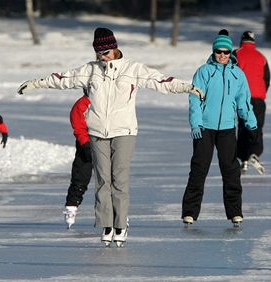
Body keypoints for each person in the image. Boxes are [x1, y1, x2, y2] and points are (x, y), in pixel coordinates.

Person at [17, 27, 203, 246]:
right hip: (97, 132)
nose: (103, 56)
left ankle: (121, 224)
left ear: (115, 48)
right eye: (99, 53)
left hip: (124, 131)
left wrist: (187, 87)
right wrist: (36, 83)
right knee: (103, 180)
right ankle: (107, 224)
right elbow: (62, 79)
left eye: (106, 52)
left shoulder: (133, 69)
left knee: (119, 179)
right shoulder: (90, 70)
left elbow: (161, 81)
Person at [182, 30, 258, 227]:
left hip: (226, 128)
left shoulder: (237, 74)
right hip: (205, 128)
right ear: (213, 52)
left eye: (225, 52)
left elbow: (244, 101)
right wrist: (196, 122)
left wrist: (250, 121)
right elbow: (195, 99)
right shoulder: (203, 72)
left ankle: (235, 212)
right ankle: (189, 212)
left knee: (230, 169)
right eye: (218, 52)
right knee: (199, 169)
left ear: (230, 52)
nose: (222, 55)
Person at [233, 31, 269, 175]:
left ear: (242, 40)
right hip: (259, 98)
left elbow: (232, 74)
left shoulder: (237, 54)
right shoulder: (262, 57)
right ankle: (254, 152)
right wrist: (261, 93)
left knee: (243, 126)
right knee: (257, 126)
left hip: (243, 97)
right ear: (253, 41)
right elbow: (267, 79)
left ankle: (244, 159)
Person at [63, 90, 93, 229]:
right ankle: (71, 206)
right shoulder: (84, 102)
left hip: (107, 142)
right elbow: (77, 122)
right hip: (86, 143)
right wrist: (85, 143)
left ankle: (115, 213)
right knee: (81, 176)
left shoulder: (111, 100)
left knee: (110, 179)